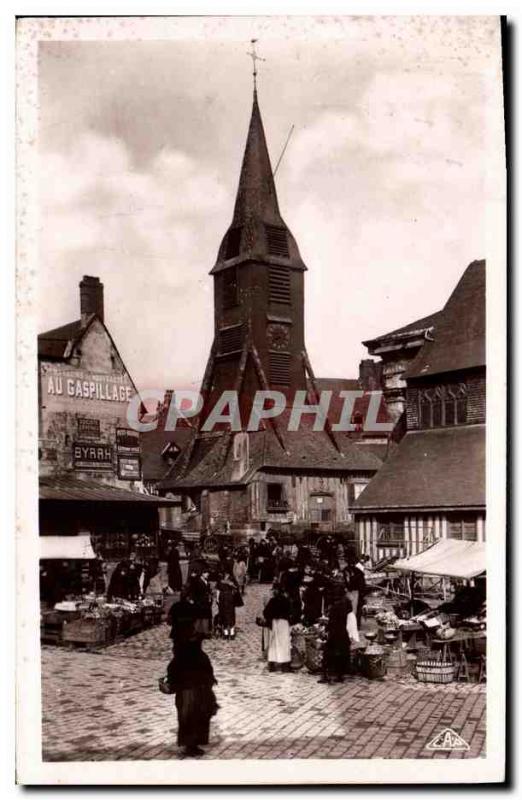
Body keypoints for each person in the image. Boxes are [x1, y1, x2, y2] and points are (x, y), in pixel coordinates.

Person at [167, 639, 218, 757]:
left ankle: (189, 745)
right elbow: (209, 673)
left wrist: (172, 683)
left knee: (186, 719)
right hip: (199, 693)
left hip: (185, 693)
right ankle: (193, 745)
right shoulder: (201, 656)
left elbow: (172, 672)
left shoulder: (180, 657)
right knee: (198, 718)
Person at [319, 583, 353, 684]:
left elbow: (332, 621)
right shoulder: (347, 602)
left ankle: (326, 676)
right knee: (342, 654)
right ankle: (340, 676)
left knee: (328, 654)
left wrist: (326, 630)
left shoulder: (336, 606)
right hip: (343, 631)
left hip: (334, 632)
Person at [263, 584, 292, 672]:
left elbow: (266, 612)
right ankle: (285, 665)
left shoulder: (273, 600)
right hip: (284, 622)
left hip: (275, 622)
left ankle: (272, 664)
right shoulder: (286, 600)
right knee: (284, 643)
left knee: (274, 643)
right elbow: (291, 611)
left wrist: (270, 619)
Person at [187, 569, 212, 637]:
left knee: (205, 616)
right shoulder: (197, 581)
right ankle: (196, 631)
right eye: (206, 573)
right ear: (202, 574)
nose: (208, 574)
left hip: (206, 602)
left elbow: (208, 591)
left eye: (208, 573)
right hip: (199, 601)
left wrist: (210, 598)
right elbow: (193, 590)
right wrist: (191, 599)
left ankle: (205, 632)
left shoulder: (207, 582)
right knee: (198, 617)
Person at [216, 570, 240, 640]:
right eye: (225, 573)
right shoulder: (220, 580)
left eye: (227, 573)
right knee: (223, 614)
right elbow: (218, 590)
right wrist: (217, 599)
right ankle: (226, 633)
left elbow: (236, 588)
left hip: (229, 598)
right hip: (222, 598)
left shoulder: (232, 580)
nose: (226, 575)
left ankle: (232, 633)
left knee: (230, 615)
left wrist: (232, 585)